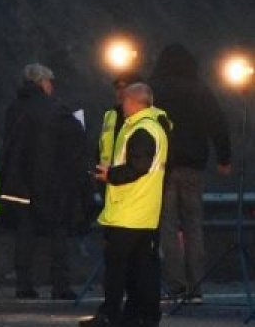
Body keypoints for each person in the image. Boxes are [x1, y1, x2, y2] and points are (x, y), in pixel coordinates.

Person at [80, 82, 170, 327]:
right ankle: (142, 315)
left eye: (125, 101)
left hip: (128, 210)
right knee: (143, 269)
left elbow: (138, 166)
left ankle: (111, 314)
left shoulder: (141, 130)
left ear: (132, 102)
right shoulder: (155, 126)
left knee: (118, 269)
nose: (122, 105)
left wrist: (110, 175)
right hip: (144, 211)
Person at [149, 43, 232, 303]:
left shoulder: (155, 90)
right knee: (194, 227)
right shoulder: (200, 90)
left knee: (168, 228)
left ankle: (176, 285)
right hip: (193, 168)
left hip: (162, 168)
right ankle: (196, 286)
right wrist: (224, 158)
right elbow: (217, 123)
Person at [0, 63, 86, 300]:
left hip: (19, 184)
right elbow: (75, 138)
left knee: (24, 233)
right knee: (58, 233)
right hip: (52, 182)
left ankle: (24, 284)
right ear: (43, 83)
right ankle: (60, 285)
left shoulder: (14, 108)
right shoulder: (56, 109)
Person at [99, 72, 144, 167]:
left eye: (125, 88)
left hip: (133, 179)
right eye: (118, 88)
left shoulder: (146, 117)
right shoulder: (110, 116)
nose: (121, 92)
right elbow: (102, 150)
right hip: (108, 178)